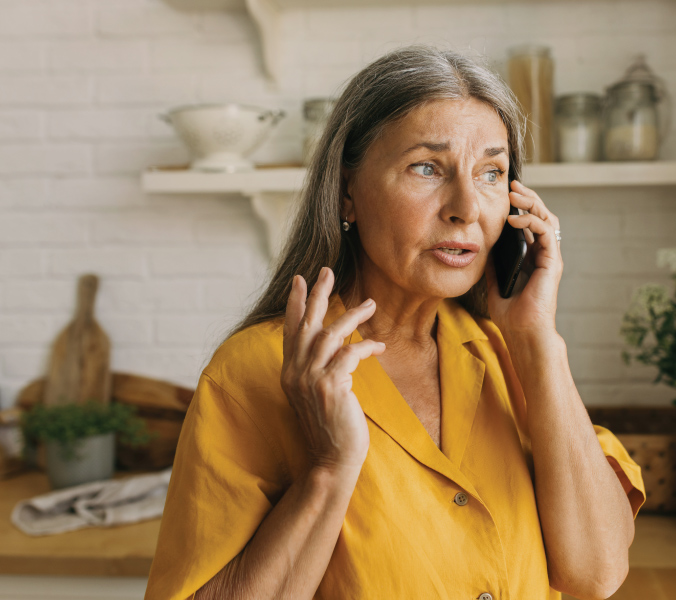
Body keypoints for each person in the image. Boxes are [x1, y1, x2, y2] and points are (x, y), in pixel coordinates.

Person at [145, 45, 645, 600]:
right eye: (426, 167)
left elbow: (596, 573)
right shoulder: (257, 371)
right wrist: (327, 471)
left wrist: (537, 341)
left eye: (491, 173)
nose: (465, 207)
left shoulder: (511, 355)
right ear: (347, 193)